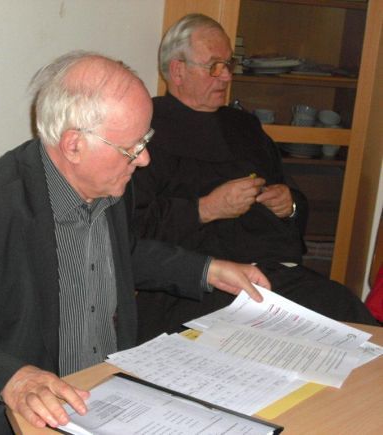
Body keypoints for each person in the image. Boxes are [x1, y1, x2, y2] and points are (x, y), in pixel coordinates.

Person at [0, 51, 271, 434]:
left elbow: (122, 255)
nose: (145, 159)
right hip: (6, 418)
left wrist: (208, 269)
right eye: (133, 148)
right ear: (73, 145)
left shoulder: (110, 185)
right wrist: (11, 379)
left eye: (145, 140)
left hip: (99, 398)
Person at [132, 14, 378, 343]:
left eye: (229, 64)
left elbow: (291, 198)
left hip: (270, 274)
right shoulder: (145, 128)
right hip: (197, 285)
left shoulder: (244, 126)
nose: (226, 76)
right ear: (177, 70)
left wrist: (289, 204)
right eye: (214, 66)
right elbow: (131, 233)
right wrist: (206, 208)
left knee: (347, 313)